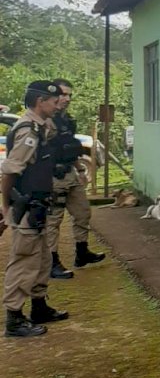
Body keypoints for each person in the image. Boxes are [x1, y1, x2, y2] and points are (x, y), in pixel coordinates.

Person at [1, 81, 70, 338]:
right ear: (41, 101)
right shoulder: (28, 131)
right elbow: (9, 170)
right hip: (27, 206)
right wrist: (5, 205)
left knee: (41, 260)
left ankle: (39, 307)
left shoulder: (42, 127)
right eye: (53, 101)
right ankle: (14, 318)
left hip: (39, 204)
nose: (57, 104)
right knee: (23, 262)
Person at [47, 77, 106, 278]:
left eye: (69, 95)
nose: (67, 98)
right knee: (53, 220)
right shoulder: (45, 120)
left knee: (83, 212)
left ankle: (82, 252)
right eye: (63, 94)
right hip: (53, 177)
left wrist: (80, 170)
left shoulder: (66, 120)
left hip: (71, 174)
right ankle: (51, 263)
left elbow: (70, 149)